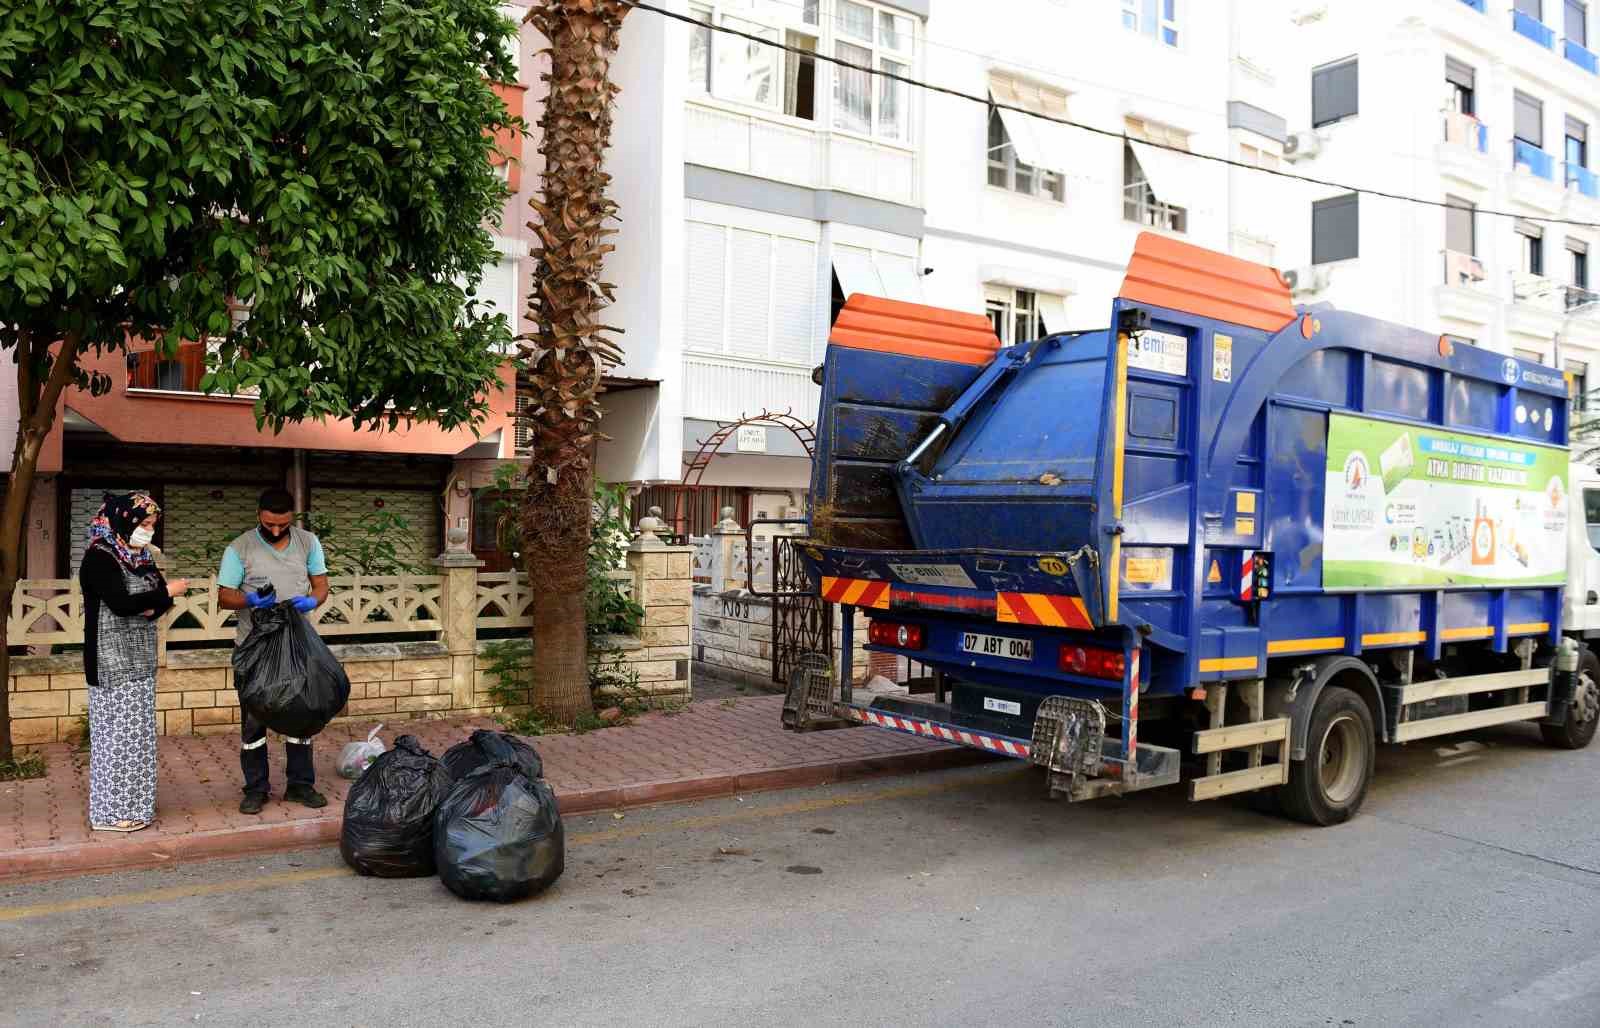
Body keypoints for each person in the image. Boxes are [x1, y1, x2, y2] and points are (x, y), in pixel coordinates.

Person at [78, 493, 190, 832]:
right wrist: (165, 594)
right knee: (115, 741)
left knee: (138, 741)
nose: (148, 531)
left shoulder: (138, 556)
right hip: (111, 662)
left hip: (140, 660)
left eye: (152, 525)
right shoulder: (100, 557)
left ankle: (137, 807)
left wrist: (155, 601)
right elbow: (123, 603)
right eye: (143, 524)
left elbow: (152, 603)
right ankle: (110, 813)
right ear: (125, 521)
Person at [217, 487, 331, 814]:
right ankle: (256, 789)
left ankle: (300, 785)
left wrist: (313, 599)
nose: (277, 530)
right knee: (254, 722)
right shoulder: (239, 548)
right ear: (259, 516)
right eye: (270, 524)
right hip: (255, 649)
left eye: (283, 524)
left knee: (302, 714)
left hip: (297, 645)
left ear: (292, 518)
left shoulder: (308, 542)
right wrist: (250, 599)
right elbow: (225, 596)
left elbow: (321, 584)